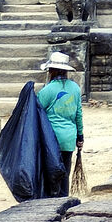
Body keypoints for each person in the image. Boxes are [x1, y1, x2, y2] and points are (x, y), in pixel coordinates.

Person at [37, 51, 86, 196]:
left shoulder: (47, 91)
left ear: (51, 71)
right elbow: (78, 115)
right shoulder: (76, 88)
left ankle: (50, 202)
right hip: (69, 139)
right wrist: (80, 137)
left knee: (50, 173)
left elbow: (37, 113)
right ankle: (64, 201)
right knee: (64, 172)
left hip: (51, 140)